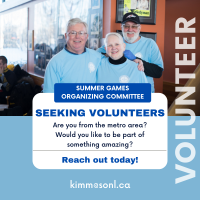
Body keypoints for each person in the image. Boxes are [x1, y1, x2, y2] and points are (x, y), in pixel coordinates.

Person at [97, 12, 163, 92]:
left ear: (139, 28)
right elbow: (97, 55)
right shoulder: (116, 42)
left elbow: (158, 72)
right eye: (126, 26)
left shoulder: (150, 44)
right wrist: (115, 54)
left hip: (143, 92)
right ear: (122, 28)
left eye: (134, 26)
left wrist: (135, 59)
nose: (130, 29)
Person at [43, 18, 103, 93]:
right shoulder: (55, 63)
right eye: (73, 33)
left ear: (86, 36)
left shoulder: (97, 57)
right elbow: (49, 97)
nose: (77, 36)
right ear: (66, 36)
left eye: (81, 33)